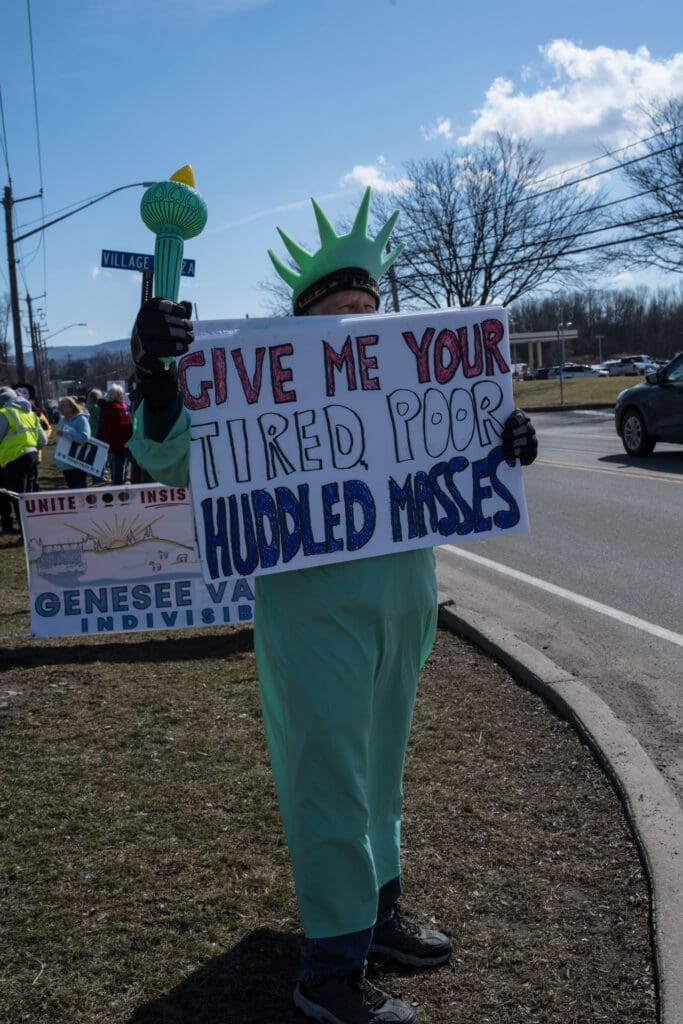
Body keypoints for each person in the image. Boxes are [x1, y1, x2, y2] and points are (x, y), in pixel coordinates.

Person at [127, 188, 538, 1024]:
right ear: (306, 319)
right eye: (342, 308)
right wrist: (154, 376)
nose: (358, 321)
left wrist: (501, 437)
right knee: (329, 782)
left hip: (402, 605)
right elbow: (170, 457)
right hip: (313, 613)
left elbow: (443, 442)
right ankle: (329, 971)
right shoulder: (262, 387)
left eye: (369, 308)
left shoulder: (399, 376)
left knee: (381, 775)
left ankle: (376, 914)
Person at [0, 385, 48, 539]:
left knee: (17, 498)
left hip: (14, 460)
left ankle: (26, 534)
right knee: (29, 496)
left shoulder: (4, 413)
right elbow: (43, 441)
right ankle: (35, 529)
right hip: (32, 457)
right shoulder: (30, 413)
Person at [97, 384, 132, 485]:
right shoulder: (117, 408)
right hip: (119, 443)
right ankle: (118, 490)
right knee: (120, 469)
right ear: (115, 396)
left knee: (114, 467)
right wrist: (132, 424)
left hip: (109, 443)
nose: (123, 397)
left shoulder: (105, 408)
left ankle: (116, 486)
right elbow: (121, 427)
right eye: (121, 394)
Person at [54, 395, 92, 490]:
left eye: (63, 405)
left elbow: (84, 437)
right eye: (60, 405)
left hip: (78, 463)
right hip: (65, 463)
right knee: (72, 492)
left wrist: (66, 433)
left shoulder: (81, 419)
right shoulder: (62, 420)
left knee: (80, 491)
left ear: (72, 407)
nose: (60, 407)